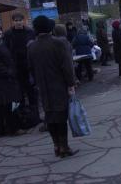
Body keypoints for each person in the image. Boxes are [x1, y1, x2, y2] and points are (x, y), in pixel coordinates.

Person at [28, 16, 78, 158]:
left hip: (43, 87)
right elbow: (67, 67)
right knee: (61, 116)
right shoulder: (59, 43)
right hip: (59, 85)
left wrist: (37, 82)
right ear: (50, 29)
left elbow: (30, 68)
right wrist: (71, 84)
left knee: (49, 116)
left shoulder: (32, 46)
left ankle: (56, 145)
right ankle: (64, 147)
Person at [4, 13, 37, 111]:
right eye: (16, 20)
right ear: (13, 22)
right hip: (15, 67)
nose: (18, 22)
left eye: (20, 20)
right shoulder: (8, 34)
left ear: (24, 20)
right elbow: (6, 50)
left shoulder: (30, 32)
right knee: (19, 93)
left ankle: (35, 116)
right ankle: (23, 117)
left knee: (32, 92)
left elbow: (34, 47)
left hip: (29, 67)